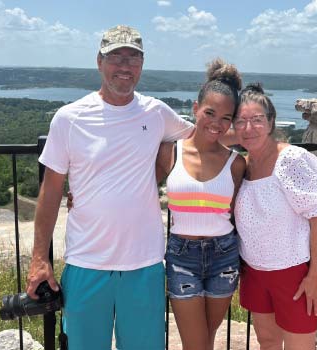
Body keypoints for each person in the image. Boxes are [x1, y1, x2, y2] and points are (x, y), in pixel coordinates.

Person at [26, 25, 194, 350]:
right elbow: (50, 192)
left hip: (144, 264)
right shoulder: (69, 118)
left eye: (133, 58)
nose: (125, 66)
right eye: (116, 56)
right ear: (99, 62)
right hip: (86, 262)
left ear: (142, 66)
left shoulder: (157, 113)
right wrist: (38, 259)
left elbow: (205, 138)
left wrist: (265, 143)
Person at [232, 83, 317, 350]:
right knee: (267, 342)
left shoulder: (291, 160)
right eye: (240, 121)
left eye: (256, 120)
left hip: (294, 274)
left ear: (271, 121)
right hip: (254, 271)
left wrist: (314, 276)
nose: (248, 128)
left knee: (300, 346)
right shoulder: (245, 163)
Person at [164, 58, 246, 350]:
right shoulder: (170, 152)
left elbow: (240, 214)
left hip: (223, 256)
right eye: (210, 112)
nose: (217, 123)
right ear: (195, 109)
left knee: (205, 342)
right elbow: (136, 185)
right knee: (196, 344)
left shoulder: (235, 163)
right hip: (181, 256)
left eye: (226, 118)